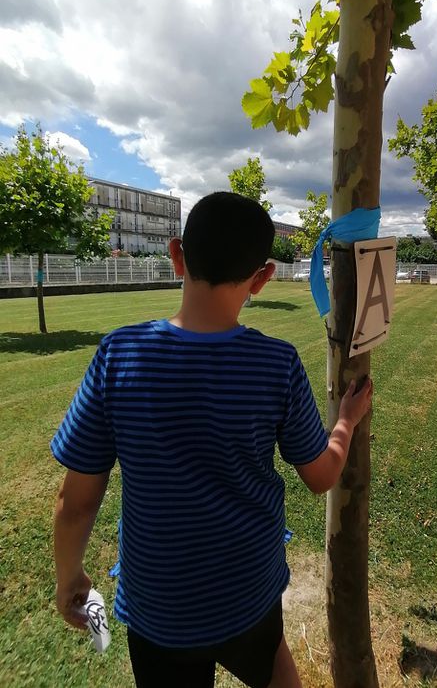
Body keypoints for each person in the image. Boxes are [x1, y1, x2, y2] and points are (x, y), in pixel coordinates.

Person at [51, 191, 373, 688]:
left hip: (158, 607)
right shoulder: (277, 364)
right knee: (272, 661)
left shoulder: (118, 355)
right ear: (263, 278)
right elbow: (321, 476)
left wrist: (69, 576)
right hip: (248, 591)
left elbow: (75, 502)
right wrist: (346, 422)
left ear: (178, 256)